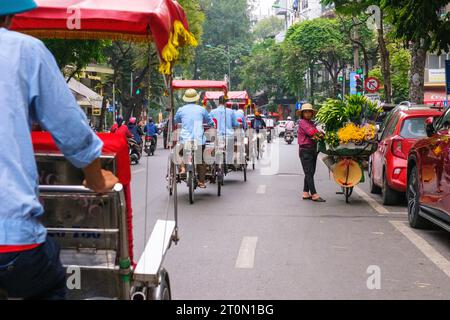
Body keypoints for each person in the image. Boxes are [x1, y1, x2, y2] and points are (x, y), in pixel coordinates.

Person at [0, 1, 119, 300]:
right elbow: (71, 128)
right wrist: (95, 178)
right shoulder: (25, 50)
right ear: (11, 16)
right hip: (12, 243)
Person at [174, 89, 214, 189]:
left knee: (180, 153)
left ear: (186, 99)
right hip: (198, 140)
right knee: (201, 160)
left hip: (185, 140)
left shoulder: (181, 109)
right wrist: (210, 124)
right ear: (196, 99)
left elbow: (176, 120)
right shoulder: (201, 109)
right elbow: (209, 121)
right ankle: (201, 181)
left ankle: (182, 168)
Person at [297, 103, 326, 202]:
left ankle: (305, 192)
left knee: (310, 172)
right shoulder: (303, 122)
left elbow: (315, 132)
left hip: (312, 150)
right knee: (309, 172)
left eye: (309, 111)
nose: (308, 113)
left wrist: (322, 134)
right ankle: (314, 194)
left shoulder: (311, 122)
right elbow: (312, 133)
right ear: (302, 113)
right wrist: (320, 135)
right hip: (305, 151)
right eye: (306, 112)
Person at [210, 97, 240, 165]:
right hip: (229, 136)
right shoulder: (230, 111)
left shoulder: (212, 112)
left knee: (213, 150)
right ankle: (230, 161)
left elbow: (210, 123)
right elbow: (235, 124)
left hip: (217, 136)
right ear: (225, 103)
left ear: (219, 102)